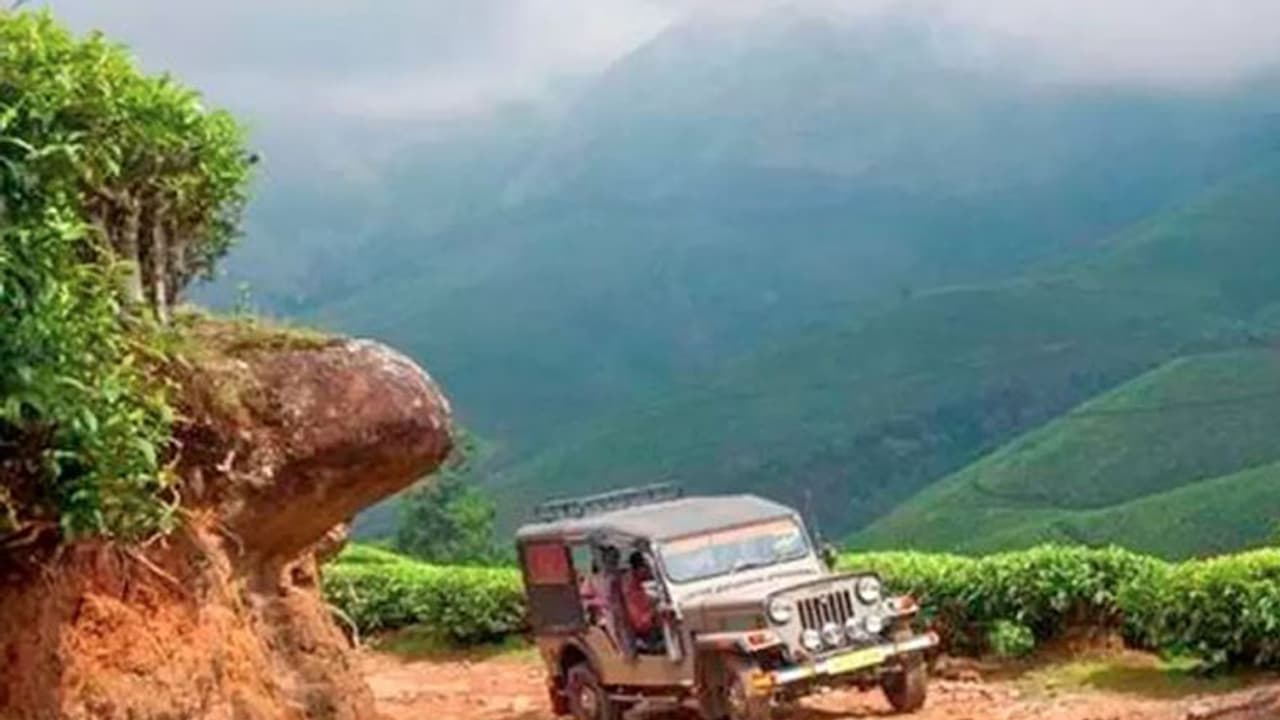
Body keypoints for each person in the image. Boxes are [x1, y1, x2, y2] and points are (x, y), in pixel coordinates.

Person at [622, 551, 662, 651]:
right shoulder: (630, 584)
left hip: (642, 617)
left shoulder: (634, 581)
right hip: (642, 624)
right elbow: (640, 622)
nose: (648, 570)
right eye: (645, 566)